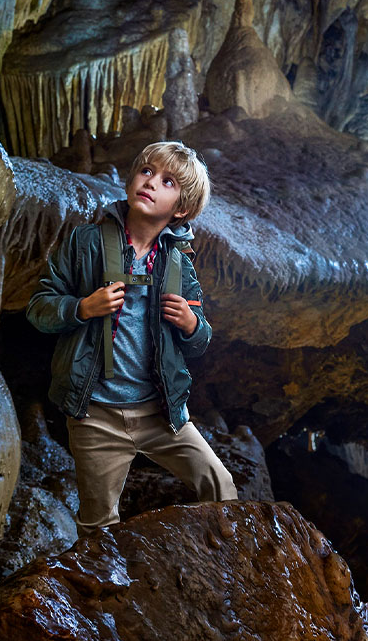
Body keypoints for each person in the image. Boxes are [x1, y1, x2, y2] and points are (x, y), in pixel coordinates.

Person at [26, 140, 237, 534]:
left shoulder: (177, 262)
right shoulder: (85, 242)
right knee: (98, 525)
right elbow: (39, 307)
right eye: (146, 171)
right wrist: (81, 308)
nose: (151, 182)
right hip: (96, 414)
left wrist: (191, 326)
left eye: (168, 181)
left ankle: (227, 574)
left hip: (161, 413)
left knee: (220, 486)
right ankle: (101, 592)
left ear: (182, 209)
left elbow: (201, 339)